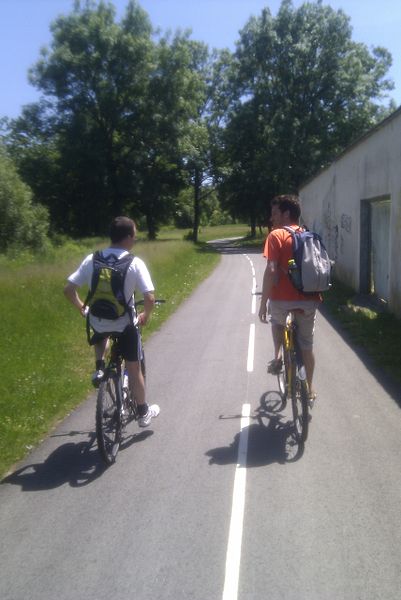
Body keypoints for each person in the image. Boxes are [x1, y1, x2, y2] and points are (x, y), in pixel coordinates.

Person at [64, 216, 160, 427]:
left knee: (101, 331)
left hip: (98, 321)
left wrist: (83, 309)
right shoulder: (135, 262)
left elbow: (69, 290)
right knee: (133, 369)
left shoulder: (92, 259)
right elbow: (150, 298)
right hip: (125, 324)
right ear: (127, 237)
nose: (135, 239)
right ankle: (143, 413)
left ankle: (100, 367)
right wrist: (146, 314)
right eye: (134, 235)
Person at [258, 194, 320, 402]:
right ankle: (309, 390)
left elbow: (271, 270)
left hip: (281, 299)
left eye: (275, 213)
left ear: (286, 214)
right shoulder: (308, 234)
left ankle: (277, 357)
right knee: (307, 345)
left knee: (277, 322)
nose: (271, 218)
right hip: (309, 298)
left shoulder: (275, 236)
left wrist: (263, 303)